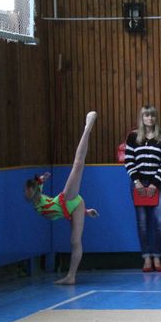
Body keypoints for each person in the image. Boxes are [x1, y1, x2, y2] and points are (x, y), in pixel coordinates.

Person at [25, 111, 99, 285]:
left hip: (66, 200)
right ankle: (71, 276)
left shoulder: (37, 194)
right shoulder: (34, 200)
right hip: (74, 208)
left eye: (28, 190)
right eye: (26, 191)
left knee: (78, 165)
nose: (27, 193)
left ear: (33, 190)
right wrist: (86, 212)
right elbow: (37, 188)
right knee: (75, 241)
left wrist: (38, 181)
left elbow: (37, 186)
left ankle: (87, 127)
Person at [124, 105, 161, 272]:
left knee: (159, 222)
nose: (149, 119)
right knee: (142, 223)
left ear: (156, 118)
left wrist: (155, 184)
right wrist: (136, 182)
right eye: (146, 116)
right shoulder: (132, 137)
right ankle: (146, 258)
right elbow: (129, 161)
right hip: (137, 184)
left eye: (152, 116)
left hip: (157, 184)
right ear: (142, 118)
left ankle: (157, 257)